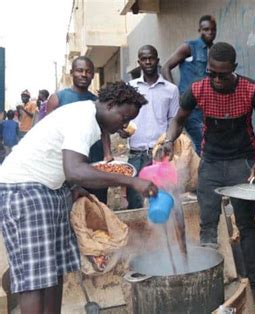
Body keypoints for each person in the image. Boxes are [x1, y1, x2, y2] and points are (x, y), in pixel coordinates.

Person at [0, 81, 157, 314]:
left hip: (51, 188)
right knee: (35, 280)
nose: (125, 125)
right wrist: (132, 181)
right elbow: (75, 169)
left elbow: (65, 166)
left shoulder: (91, 118)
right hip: (25, 190)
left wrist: (73, 187)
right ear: (111, 105)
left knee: (54, 271)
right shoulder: (83, 119)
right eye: (124, 118)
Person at [158, 42, 255, 305]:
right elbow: (178, 119)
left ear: (233, 69)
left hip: (241, 165)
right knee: (208, 226)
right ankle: (211, 287)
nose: (217, 80)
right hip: (210, 164)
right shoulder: (197, 89)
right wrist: (168, 140)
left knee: (246, 226)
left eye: (223, 74)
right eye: (212, 73)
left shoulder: (253, 89)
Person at [46, 56, 113, 203]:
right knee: (73, 208)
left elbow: (104, 130)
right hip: (69, 164)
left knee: (98, 205)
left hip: (95, 162)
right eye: (79, 70)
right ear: (72, 73)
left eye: (88, 72)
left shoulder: (97, 101)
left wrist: (107, 153)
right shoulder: (57, 99)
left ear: (92, 75)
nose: (84, 74)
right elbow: (48, 134)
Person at [122, 45, 179, 209]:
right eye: (144, 59)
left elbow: (174, 121)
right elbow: (122, 119)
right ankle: (140, 235)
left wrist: (168, 142)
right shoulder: (130, 88)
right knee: (136, 205)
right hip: (135, 157)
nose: (148, 62)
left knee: (162, 203)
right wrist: (122, 130)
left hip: (160, 156)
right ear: (138, 62)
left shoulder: (171, 90)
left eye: (151, 58)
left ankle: (163, 235)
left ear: (157, 60)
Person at [162, 15, 217, 156]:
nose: (209, 32)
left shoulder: (214, 51)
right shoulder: (189, 47)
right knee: (203, 144)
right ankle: (204, 176)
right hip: (191, 108)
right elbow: (165, 67)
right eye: (206, 29)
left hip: (209, 106)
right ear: (199, 30)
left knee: (210, 143)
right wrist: (176, 93)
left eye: (212, 29)